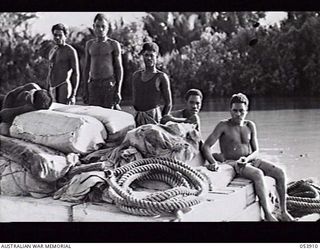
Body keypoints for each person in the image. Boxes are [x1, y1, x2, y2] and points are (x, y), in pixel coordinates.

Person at [201, 93, 294, 221]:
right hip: (234, 163)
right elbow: (206, 146)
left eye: (241, 111)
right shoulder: (223, 125)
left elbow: (256, 150)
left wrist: (248, 159)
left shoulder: (250, 125)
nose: (238, 114)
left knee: (280, 172)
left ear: (247, 110)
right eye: (235, 111)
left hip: (250, 160)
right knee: (258, 174)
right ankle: (267, 214)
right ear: (230, 110)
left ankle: (283, 211)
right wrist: (213, 162)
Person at [83, 13, 123, 109]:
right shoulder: (89, 44)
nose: (100, 29)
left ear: (108, 28)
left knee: (109, 115)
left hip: (108, 85)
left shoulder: (113, 44)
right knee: (94, 116)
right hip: (93, 85)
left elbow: (119, 68)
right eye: (97, 26)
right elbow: (86, 67)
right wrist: (85, 89)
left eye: (103, 26)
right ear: (93, 27)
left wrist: (118, 90)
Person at [132, 42, 172, 127]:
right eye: (146, 55)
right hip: (137, 116)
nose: (149, 58)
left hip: (154, 117)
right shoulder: (136, 75)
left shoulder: (161, 77)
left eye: (152, 55)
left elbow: (168, 103)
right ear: (143, 56)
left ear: (156, 57)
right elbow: (135, 98)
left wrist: (162, 120)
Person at [47, 23, 80, 104]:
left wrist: (73, 95)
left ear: (65, 36)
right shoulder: (53, 50)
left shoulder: (70, 51)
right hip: (52, 87)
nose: (57, 37)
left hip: (63, 85)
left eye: (60, 35)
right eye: (55, 35)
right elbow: (50, 70)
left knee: (63, 111)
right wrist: (47, 87)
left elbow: (76, 73)